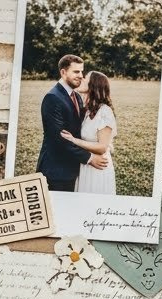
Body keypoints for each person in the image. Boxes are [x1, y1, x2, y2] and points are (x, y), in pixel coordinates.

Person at [35, 55, 109, 192]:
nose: (81, 76)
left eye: (82, 71)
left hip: (74, 169)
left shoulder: (76, 97)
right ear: (63, 72)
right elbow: (58, 139)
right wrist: (89, 158)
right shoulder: (53, 98)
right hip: (56, 172)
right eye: (76, 72)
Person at [60, 71, 118, 195]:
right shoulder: (87, 110)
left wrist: (74, 140)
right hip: (86, 165)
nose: (81, 78)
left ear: (93, 85)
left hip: (98, 167)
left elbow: (102, 147)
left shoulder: (104, 111)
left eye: (85, 78)